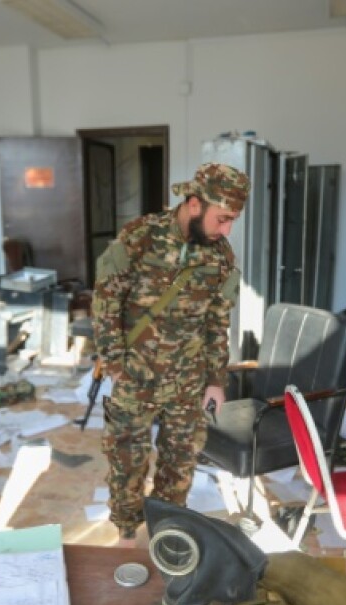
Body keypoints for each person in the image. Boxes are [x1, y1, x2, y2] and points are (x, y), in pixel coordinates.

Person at [92, 163, 251, 545]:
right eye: (223, 218)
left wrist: (216, 380)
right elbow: (105, 303)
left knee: (179, 465)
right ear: (194, 204)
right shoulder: (138, 237)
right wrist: (115, 365)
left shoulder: (221, 257)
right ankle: (127, 534)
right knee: (127, 461)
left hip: (187, 379)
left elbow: (218, 321)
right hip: (135, 374)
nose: (227, 229)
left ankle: (164, 535)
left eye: (232, 221)